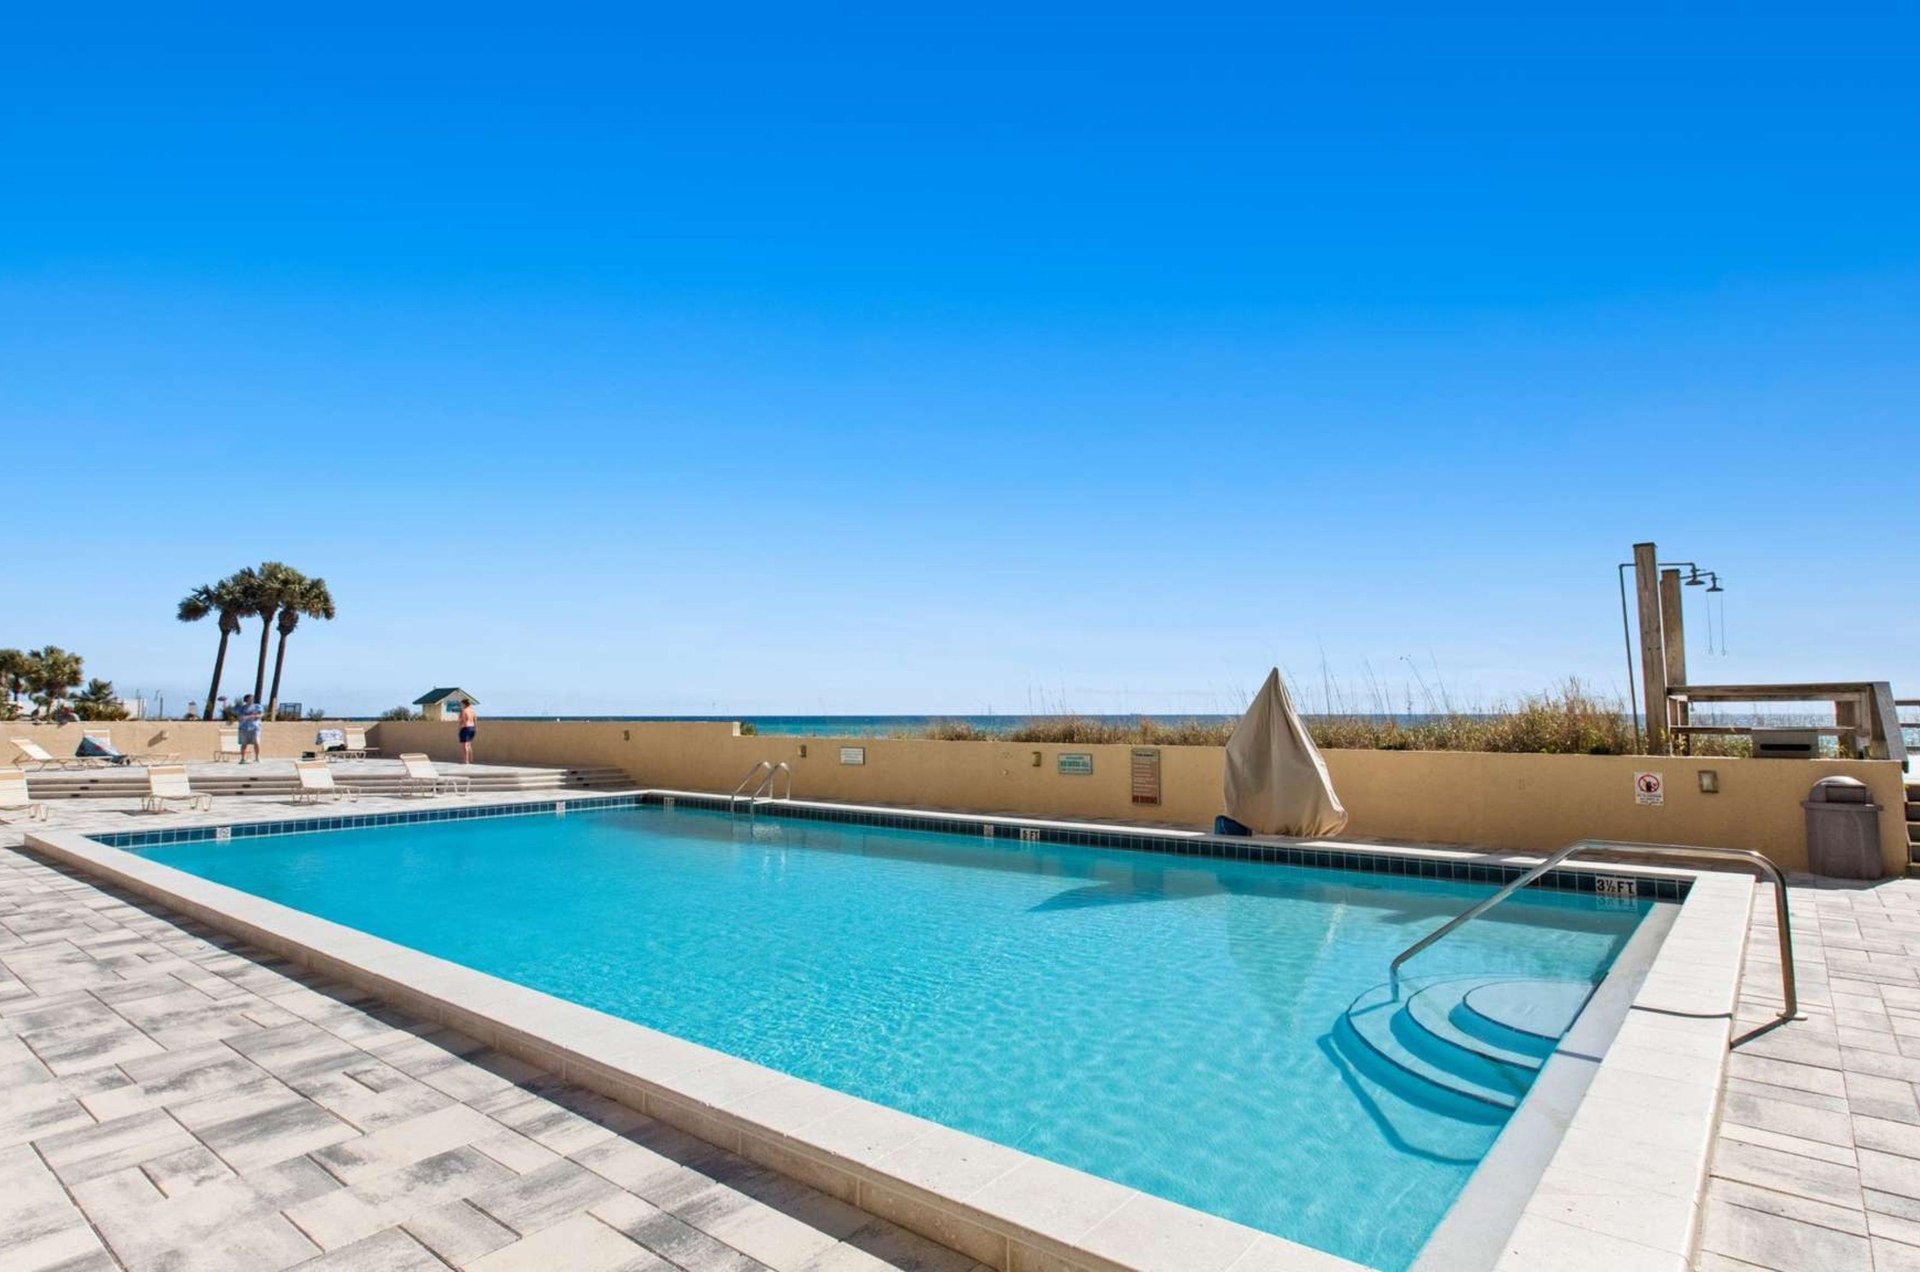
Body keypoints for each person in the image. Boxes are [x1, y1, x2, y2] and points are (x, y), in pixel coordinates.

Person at [235, 694, 265, 764]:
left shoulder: (257, 706)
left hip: (255, 727)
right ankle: (242, 759)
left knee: (256, 742)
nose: (251, 700)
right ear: (246, 700)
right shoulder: (242, 708)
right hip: (244, 728)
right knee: (244, 743)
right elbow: (240, 717)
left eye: (252, 699)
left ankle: (257, 757)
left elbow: (261, 715)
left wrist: (251, 716)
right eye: (249, 699)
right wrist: (251, 716)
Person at [457, 698, 477, 764]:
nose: (461, 705)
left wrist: (460, 727)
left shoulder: (464, 711)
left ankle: (466, 760)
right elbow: (475, 720)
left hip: (466, 728)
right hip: (472, 728)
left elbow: (462, 720)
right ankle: (471, 759)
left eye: (461, 704)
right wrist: (475, 728)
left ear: (464, 704)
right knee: (469, 744)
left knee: (464, 745)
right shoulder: (473, 711)